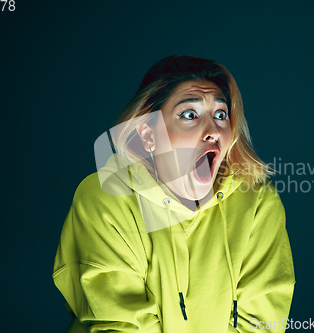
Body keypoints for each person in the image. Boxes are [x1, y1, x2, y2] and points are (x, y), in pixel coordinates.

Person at [53, 55, 295, 333]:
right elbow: (119, 324)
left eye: (220, 115)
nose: (213, 130)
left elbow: (261, 323)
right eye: (189, 115)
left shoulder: (258, 202)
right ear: (148, 135)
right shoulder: (105, 196)